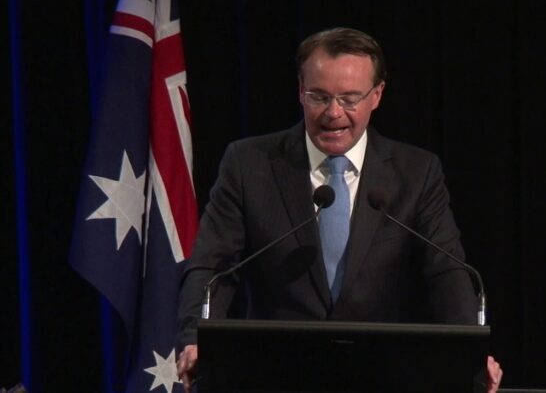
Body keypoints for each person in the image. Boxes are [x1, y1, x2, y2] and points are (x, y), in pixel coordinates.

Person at [176, 27, 503, 392]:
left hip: (383, 377)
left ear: (376, 95)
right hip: (274, 374)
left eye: (350, 98)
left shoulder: (415, 173)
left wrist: (471, 353)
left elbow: (446, 274)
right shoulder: (249, 164)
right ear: (300, 91)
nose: (333, 113)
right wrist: (196, 338)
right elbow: (213, 266)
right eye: (319, 96)